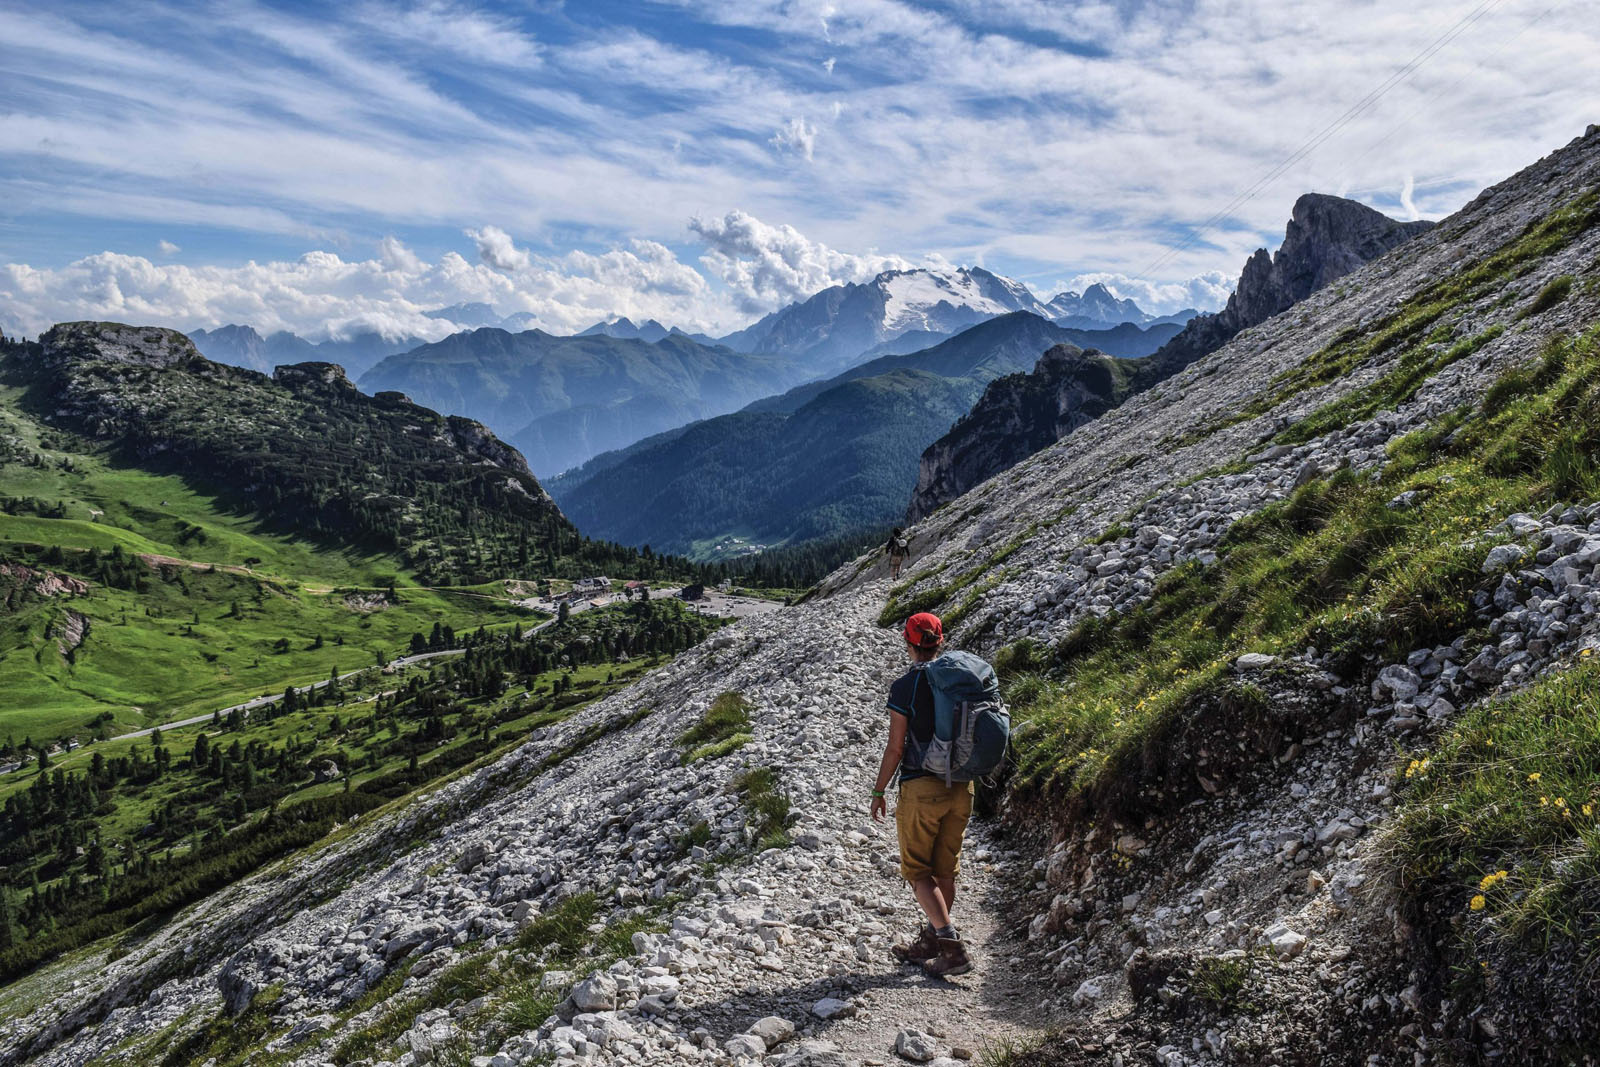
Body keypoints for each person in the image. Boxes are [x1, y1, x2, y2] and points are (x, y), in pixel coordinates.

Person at [870, 611, 983, 977]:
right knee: (944, 870)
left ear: (908, 642)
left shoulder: (905, 688)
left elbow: (895, 748)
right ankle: (932, 942)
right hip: (962, 786)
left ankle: (952, 949)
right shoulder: (962, 681)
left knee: (918, 872)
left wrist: (879, 788)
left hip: (922, 786)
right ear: (941, 641)